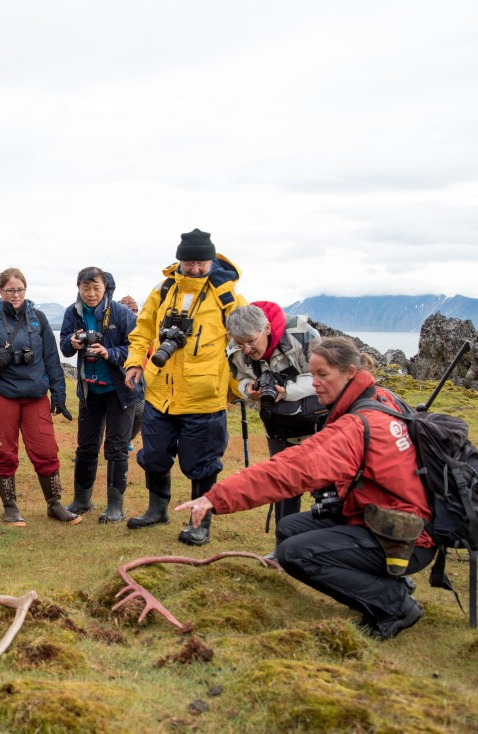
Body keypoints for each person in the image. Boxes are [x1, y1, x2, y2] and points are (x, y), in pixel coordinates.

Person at [175, 337, 434, 640]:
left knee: (295, 554)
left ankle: (395, 605)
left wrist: (215, 497)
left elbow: (293, 469)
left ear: (350, 373)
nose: (316, 383)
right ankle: (386, 585)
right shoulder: (379, 398)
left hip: (405, 537)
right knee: (291, 527)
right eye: (313, 375)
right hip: (386, 517)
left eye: (324, 375)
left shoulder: (357, 425)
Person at [123, 229, 247, 545]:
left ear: (210, 259)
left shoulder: (227, 295)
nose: (194, 268)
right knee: (153, 455)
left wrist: (238, 386)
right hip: (160, 395)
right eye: (188, 262)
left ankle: (199, 523)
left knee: (202, 463)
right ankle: (157, 510)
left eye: (200, 262)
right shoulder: (163, 290)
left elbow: (246, 340)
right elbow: (141, 332)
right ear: (180, 260)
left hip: (204, 399)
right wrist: (135, 362)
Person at [0, 267, 79, 527]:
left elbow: (51, 358)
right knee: (3, 451)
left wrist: (58, 393)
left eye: (20, 290)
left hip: (35, 395)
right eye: (10, 290)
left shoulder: (38, 318)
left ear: (26, 290)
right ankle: (10, 506)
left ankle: (55, 503)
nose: (16, 295)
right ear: (0, 291)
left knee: (46, 449)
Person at [59, 267, 142, 523]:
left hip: (121, 390)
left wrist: (110, 353)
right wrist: (71, 343)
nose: (91, 293)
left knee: (116, 447)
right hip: (90, 390)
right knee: (86, 446)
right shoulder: (72, 313)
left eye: (96, 288)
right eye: (85, 288)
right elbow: (64, 344)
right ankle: (82, 500)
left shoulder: (121, 313)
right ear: (79, 288)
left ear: (105, 287)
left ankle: (115, 506)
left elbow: (137, 347)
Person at [226, 302, 321, 525]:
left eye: (251, 341)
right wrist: (247, 389)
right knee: (283, 481)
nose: (247, 349)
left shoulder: (303, 336)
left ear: (267, 329)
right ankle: (283, 543)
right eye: (241, 344)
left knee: (325, 481)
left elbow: (325, 376)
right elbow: (241, 378)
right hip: (278, 425)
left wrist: (287, 391)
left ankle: (324, 544)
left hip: (317, 420)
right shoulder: (235, 349)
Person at [119, 294, 147, 451]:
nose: (133, 316)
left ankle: (127, 439)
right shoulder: (117, 328)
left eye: (135, 312)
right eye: (131, 312)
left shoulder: (143, 330)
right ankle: (122, 441)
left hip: (142, 378)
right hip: (123, 377)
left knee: (142, 414)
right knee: (136, 412)